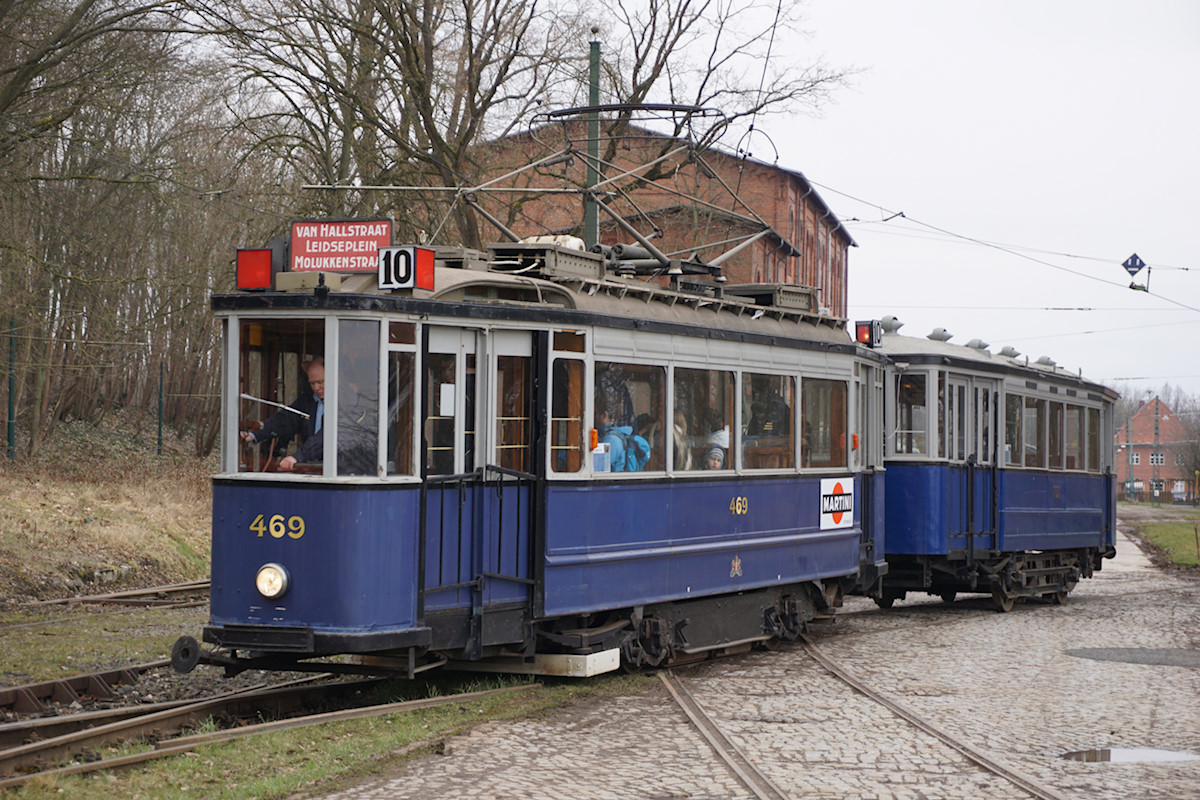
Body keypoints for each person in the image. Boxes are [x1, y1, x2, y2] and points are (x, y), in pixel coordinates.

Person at [241, 358, 325, 472]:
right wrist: (256, 433)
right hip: (311, 469)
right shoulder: (307, 400)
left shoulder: (344, 404)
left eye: (320, 382)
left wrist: (298, 457)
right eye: (312, 383)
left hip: (340, 472)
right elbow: (286, 420)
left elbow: (326, 436)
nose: (316, 388)